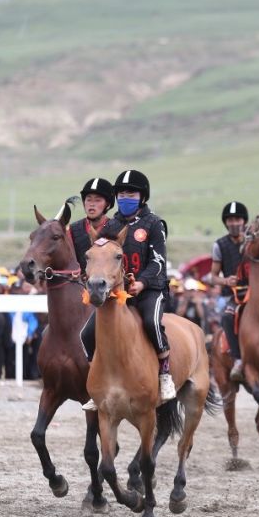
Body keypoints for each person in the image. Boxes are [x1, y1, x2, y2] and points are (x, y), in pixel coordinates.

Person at [80, 169, 175, 406]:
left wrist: (142, 282)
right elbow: (100, 254)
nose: (125, 197)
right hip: (118, 291)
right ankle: (98, 380)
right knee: (87, 333)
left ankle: (164, 374)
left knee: (151, 323)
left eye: (130, 193)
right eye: (121, 193)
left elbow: (158, 261)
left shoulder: (154, 224)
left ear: (142, 197)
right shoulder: (111, 225)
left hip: (151, 288)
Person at [206, 201, 251, 381]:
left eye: (237, 219)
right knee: (226, 317)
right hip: (230, 295)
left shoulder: (252, 243)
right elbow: (212, 277)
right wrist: (225, 280)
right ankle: (238, 359)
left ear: (244, 221)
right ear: (226, 223)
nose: (234, 223)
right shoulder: (219, 245)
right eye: (230, 219)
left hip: (254, 293)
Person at [69, 177, 115, 272]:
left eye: (97, 200)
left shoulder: (116, 228)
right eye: (89, 200)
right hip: (81, 284)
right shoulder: (72, 230)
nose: (92, 204)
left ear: (108, 204)